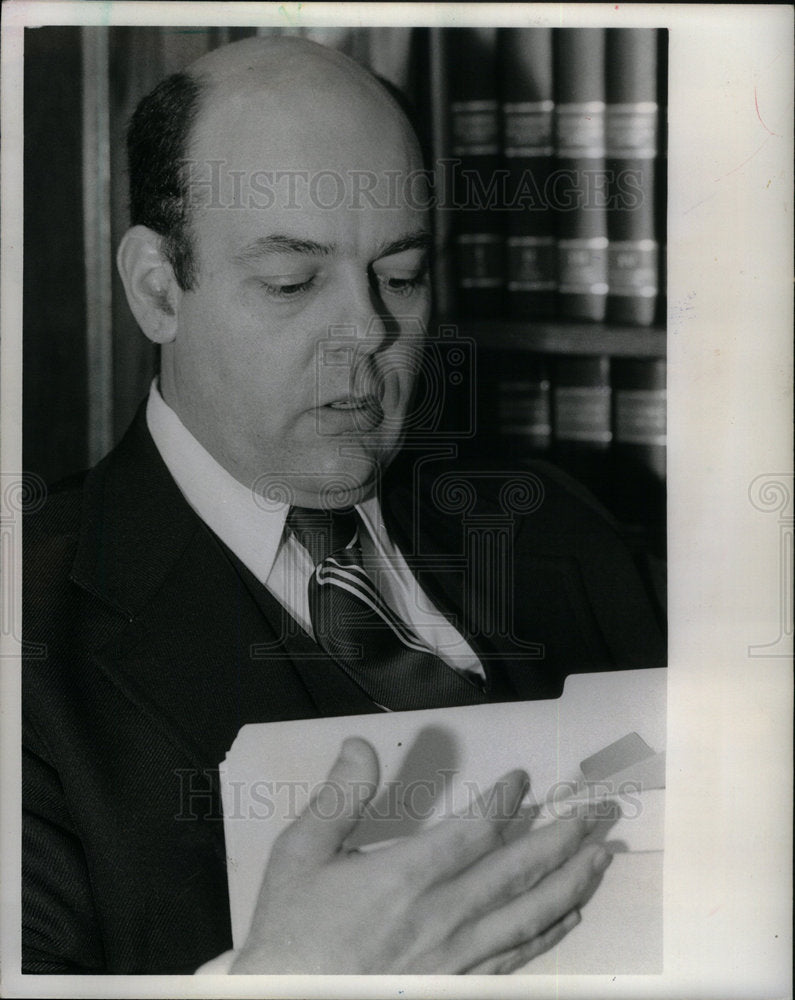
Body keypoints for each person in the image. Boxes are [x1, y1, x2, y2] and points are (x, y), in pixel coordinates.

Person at [22, 35, 665, 975]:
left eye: (400, 277)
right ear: (158, 289)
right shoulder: (22, 634)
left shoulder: (556, 533)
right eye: (292, 282)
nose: (368, 330)